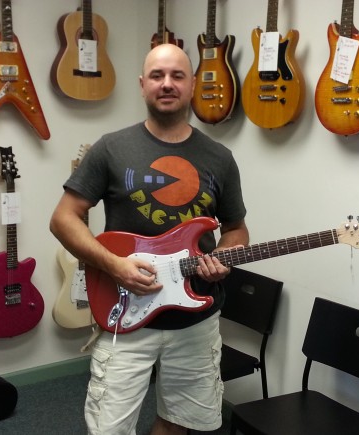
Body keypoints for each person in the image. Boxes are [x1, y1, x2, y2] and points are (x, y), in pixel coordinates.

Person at [50, 44, 249, 435]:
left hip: (196, 319)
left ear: (192, 85)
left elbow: (236, 228)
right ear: (142, 86)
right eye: (157, 76)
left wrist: (225, 256)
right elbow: (63, 219)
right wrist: (114, 266)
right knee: (108, 429)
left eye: (177, 76)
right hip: (125, 313)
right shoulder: (111, 148)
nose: (167, 84)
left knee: (181, 424)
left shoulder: (220, 157)